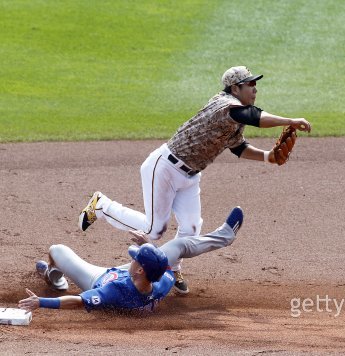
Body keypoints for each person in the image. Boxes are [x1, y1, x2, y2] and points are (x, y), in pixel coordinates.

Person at [78, 66, 311, 294]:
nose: (255, 89)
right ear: (235, 88)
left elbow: (238, 147)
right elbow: (254, 116)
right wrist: (290, 121)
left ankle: (174, 267)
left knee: (191, 227)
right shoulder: (224, 105)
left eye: (255, 84)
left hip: (190, 175)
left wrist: (268, 158)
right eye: (250, 84)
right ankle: (102, 206)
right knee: (155, 229)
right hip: (165, 167)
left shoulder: (234, 117)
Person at [19, 207, 243, 313]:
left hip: (97, 279)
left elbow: (77, 300)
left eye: (136, 258)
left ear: (139, 270)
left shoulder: (115, 290)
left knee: (57, 250)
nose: (133, 258)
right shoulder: (163, 280)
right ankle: (224, 236)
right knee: (179, 246)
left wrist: (41, 302)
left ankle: (54, 275)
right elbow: (161, 264)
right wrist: (148, 245)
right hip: (137, 279)